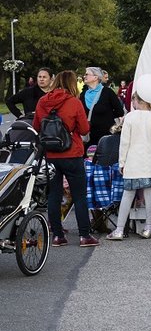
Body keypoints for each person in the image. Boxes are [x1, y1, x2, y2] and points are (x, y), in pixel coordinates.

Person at [33, 70, 97, 247]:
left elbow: (36, 126)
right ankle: (85, 235)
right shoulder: (74, 102)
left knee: (54, 194)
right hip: (72, 153)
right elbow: (84, 130)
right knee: (79, 195)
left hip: (51, 154)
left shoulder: (42, 101)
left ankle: (57, 235)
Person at [107, 78, 151, 241]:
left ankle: (119, 229)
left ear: (136, 100)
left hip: (133, 161)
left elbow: (124, 143)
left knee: (127, 194)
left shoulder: (130, 118)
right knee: (150, 194)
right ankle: (148, 228)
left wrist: (122, 162)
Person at [80, 66, 125, 148]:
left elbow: (120, 111)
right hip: (89, 136)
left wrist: (107, 115)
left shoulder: (108, 92)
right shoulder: (83, 94)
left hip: (105, 135)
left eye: (87, 74)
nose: (84, 76)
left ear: (95, 77)